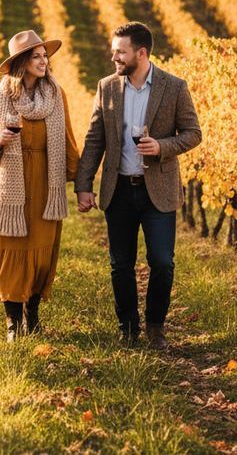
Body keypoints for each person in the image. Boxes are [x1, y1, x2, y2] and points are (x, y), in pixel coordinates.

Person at [74, 21, 201, 350]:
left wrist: (162, 147)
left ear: (141, 53)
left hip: (157, 188)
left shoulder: (174, 87)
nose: (113, 56)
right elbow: (94, 139)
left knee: (162, 261)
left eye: (120, 51)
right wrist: (83, 184)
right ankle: (128, 327)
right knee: (120, 264)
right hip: (119, 189)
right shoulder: (107, 87)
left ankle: (156, 326)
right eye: (114, 50)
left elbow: (193, 134)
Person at [0, 30, 79, 341]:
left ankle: (32, 316)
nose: (44, 61)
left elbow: (67, 140)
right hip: (12, 182)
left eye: (44, 56)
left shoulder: (56, 94)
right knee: (11, 250)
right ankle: (12, 323)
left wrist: (83, 181)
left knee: (39, 255)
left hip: (45, 181)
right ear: (22, 62)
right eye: (37, 56)